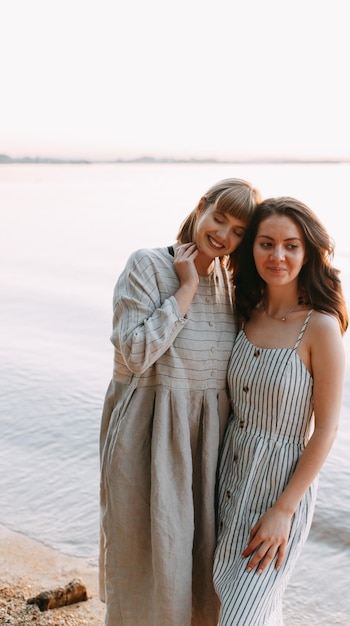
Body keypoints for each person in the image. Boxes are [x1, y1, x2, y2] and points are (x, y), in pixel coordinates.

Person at [99, 178, 262, 626]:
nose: (223, 235)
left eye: (238, 232)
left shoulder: (234, 284)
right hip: (149, 434)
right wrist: (185, 290)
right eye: (219, 219)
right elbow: (133, 354)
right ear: (201, 207)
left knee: (201, 569)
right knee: (149, 564)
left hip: (209, 447)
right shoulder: (147, 265)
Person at [213, 196, 348, 625]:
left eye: (291, 245)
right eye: (266, 243)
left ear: (307, 252)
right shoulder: (242, 311)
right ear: (251, 248)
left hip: (279, 492)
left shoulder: (321, 327)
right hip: (228, 481)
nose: (278, 256)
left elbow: (325, 430)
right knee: (236, 605)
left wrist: (284, 511)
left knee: (243, 615)